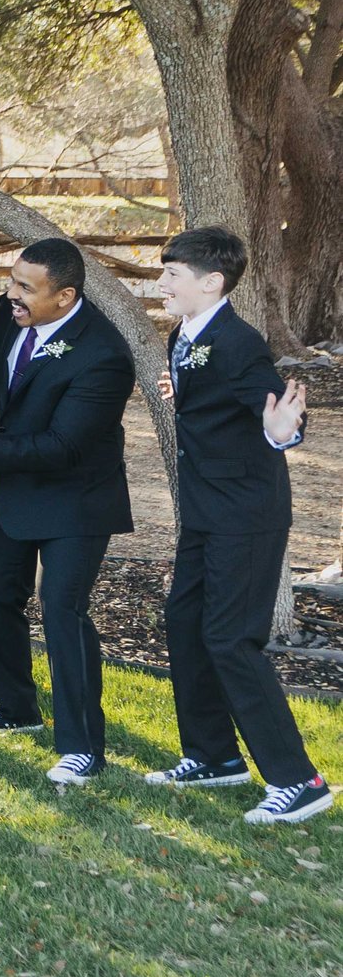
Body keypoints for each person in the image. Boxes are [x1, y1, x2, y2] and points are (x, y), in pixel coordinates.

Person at [0, 237, 133, 784]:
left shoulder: (105, 356)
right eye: (12, 280)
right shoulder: (7, 316)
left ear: (65, 297)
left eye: (25, 288)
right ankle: (16, 709)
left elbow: (65, 446)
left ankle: (83, 747)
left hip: (77, 499)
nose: (10, 295)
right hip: (13, 486)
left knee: (62, 610)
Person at [140, 227, 326, 823]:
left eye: (172, 274)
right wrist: (184, 392)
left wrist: (283, 433)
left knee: (230, 639)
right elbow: (207, 397)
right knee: (185, 623)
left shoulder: (240, 342)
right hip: (205, 510)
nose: (161, 283)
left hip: (245, 515)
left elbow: (281, 414)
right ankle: (214, 756)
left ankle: (299, 781)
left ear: (212, 282)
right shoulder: (185, 333)